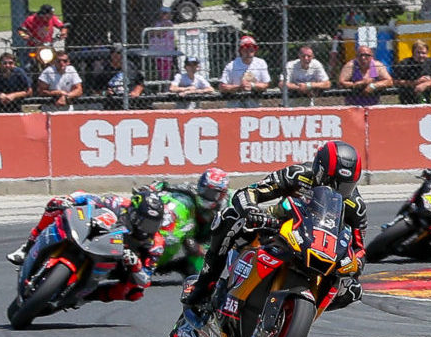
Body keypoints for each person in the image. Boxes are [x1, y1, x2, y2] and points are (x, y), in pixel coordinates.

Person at [181, 141, 367, 314]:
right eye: (330, 180)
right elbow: (249, 192)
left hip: (321, 250)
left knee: (352, 289)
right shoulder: (298, 174)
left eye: (346, 186)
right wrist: (251, 210)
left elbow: (359, 250)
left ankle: (297, 314)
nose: (337, 188)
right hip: (279, 226)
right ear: (318, 169)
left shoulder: (355, 206)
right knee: (229, 217)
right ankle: (205, 285)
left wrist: (354, 264)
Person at [7, 186, 166, 303]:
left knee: (135, 292)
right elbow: (88, 197)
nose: (146, 229)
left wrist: (135, 264)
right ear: (133, 212)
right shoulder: (118, 203)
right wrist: (70, 200)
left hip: (116, 264)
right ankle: (28, 246)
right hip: (93, 237)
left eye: (152, 225)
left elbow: (145, 279)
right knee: (55, 204)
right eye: (144, 222)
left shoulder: (156, 244)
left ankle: (88, 296)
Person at [154, 167, 231, 267]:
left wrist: (201, 249)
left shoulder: (226, 208)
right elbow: (170, 187)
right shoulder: (193, 190)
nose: (204, 194)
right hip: (193, 234)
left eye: (211, 193)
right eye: (203, 188)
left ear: (222, 195)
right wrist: (155, 188)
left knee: (205, 268)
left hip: (209, 241)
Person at [218, 35, 270, 107]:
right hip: (235, 105)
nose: (249, 50)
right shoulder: (231, 65)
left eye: (252, 48)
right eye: (246, 48)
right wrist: (239, 87)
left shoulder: (261, 63)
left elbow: (265, 84)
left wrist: (252, 85)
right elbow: (222, 87)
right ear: (241, 50)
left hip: (254, 104)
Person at [392, 40, 431, 104]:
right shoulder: (405, 63)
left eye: (423, 53)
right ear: (413, 53)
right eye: (418, 53)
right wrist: (415, 82)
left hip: (426, 96)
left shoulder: (430, 62)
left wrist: (425, 84)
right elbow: (395, 81)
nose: (421, 55)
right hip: (407, 97)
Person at [148, 6, 178, 82]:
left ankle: (165, 87)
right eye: (163, 13)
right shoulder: (157, 23)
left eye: (166, 14)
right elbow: (153, 33)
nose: (164, 16)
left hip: (166, 52)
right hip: (158, 52)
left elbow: (160, 33)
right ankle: (160, 86)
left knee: (165, 72)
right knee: (159, 71)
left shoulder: (169, 23)